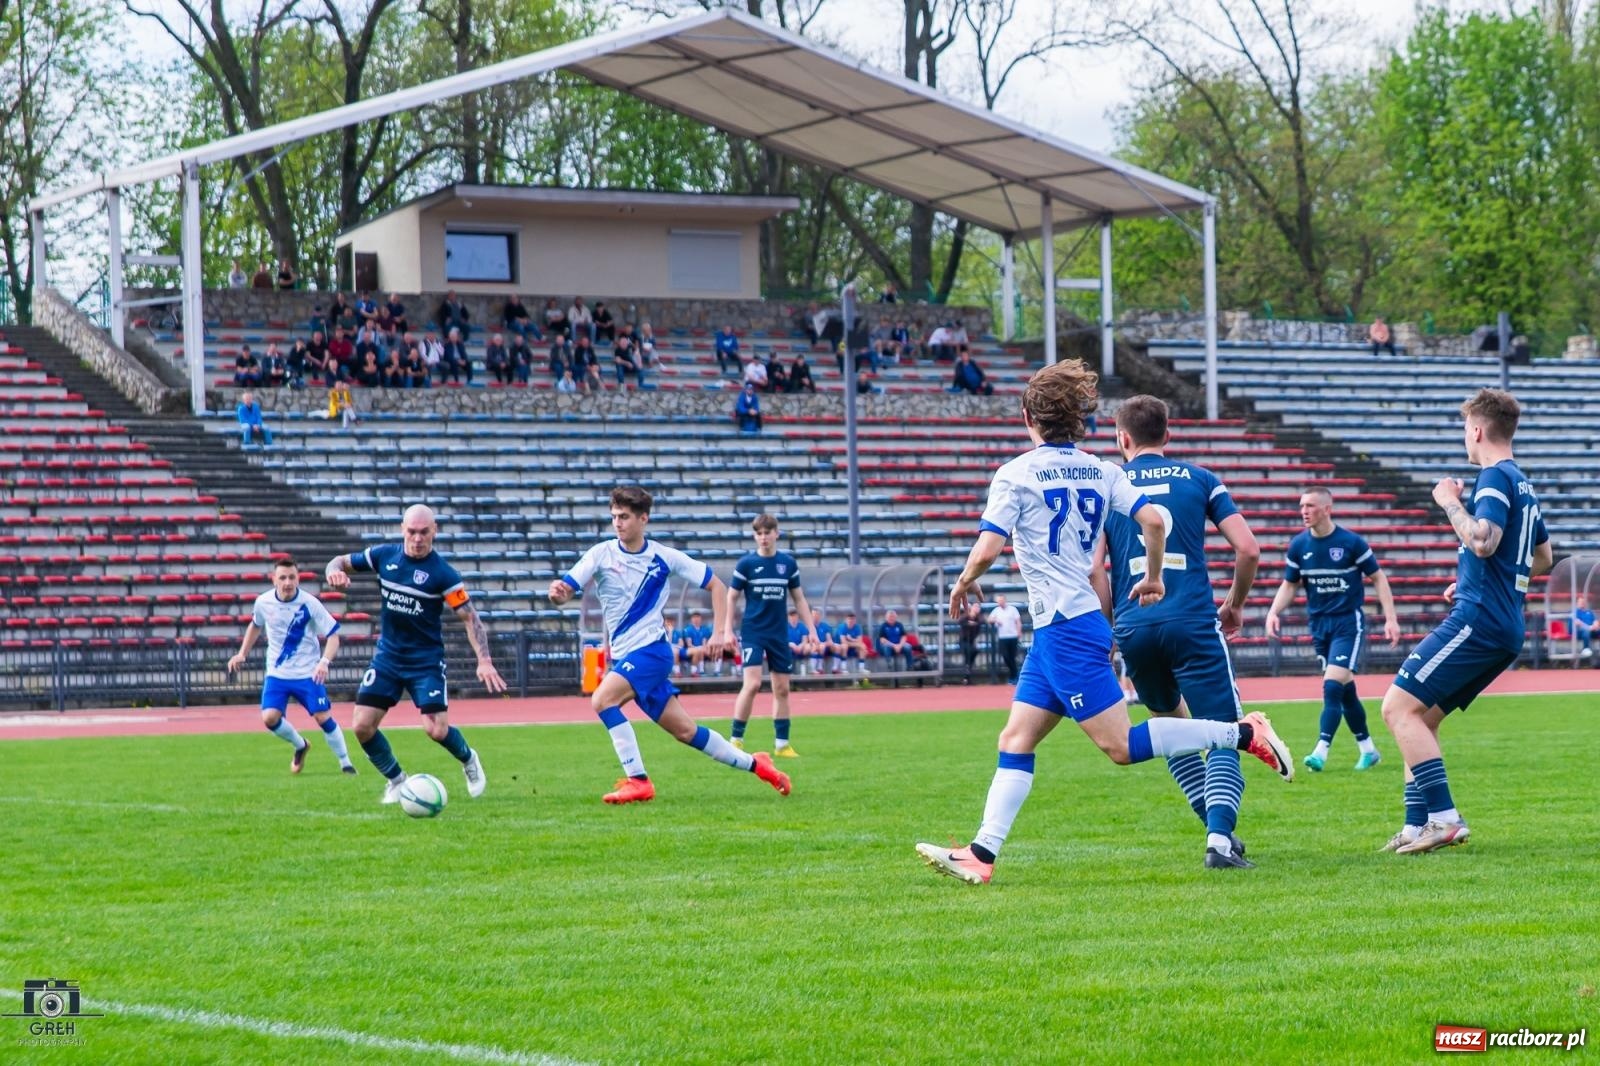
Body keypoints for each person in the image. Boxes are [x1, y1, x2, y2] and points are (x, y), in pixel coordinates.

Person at [915, 360, 1293, 886]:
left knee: (1120, 747)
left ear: (1027, 416)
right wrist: (1153, 577)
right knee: (1015, 739)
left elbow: (987, 549)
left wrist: (962, 582)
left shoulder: (1016, 472)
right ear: (1081, 422)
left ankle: (1242, 732)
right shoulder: (1101, 469)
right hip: (1063, 629)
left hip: (1068, 627)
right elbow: (1154, 521)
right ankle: (981, 855)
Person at [1096, 394, 1267, 869]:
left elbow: (1095, 571)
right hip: (1192, 620)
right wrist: (1232, 606)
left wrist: (1112, 631)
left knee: (1174, 729)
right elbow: (1248, 550)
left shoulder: (1108, 485)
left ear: (1122, 439)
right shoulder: (1202, 479)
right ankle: (1218, 839)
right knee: (1226, 729)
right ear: (1168, 436)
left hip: (1135, 625)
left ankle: (1219, 833)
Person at [1379, 389, 1551, 854]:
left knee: (1396, 708)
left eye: (1465, 429)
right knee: (1423, 719)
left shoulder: (1493, 477)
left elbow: (1483, 541)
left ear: (1476, 429)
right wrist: (1483, 579)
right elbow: (1542, 557)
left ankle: (1445, 818)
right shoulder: (1522, 482)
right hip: (1502, 622)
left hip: (1479, 621)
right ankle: (1417, 826)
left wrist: (1448, 501)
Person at [547, 485, 792, 804]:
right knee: (687, 732)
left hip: (651, 652)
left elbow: (717, 586)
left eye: (624, 517)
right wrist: (559, 594)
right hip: (627, 657)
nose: (617, 523)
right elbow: (567, 588)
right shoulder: (601, 553)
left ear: (643, 519)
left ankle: (638, 780)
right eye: (614, 517)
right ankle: (761, 766)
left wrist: (720, 632)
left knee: (603, 700)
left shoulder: (663, 556)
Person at [323, 505, 505, 803]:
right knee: (361, 726)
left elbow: (470, 617)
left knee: (435, 729)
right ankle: (396, 780)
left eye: (423, 532)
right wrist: (334, 571)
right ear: (402, 529)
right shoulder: (384, 556)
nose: (417, 538)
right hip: (388, 658)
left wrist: (484, 661)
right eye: (411, 531)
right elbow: (340, 561)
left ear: (434, 531)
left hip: (425, 662)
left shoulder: (443, 573)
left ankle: (469, 759)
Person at [1265, 485, 1401, 772]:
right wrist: (1273, 612)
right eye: (1302, 506)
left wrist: (1391, 619)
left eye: (1311, 506)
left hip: (1347, 624)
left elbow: (1378, 578)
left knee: (1331, 687)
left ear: (1327, 509)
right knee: (1345, 691)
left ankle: (1321, 750)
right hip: (1319, 626)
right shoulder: (1299, 546)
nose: (1304, 511)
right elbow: (1290, 585)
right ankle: (1368, 749)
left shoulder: (1351, 543)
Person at [227, 558, 355, 775]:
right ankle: (301, 745)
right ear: (274, 579)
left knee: (322, 717)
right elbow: (255, 625)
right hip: (277, 674)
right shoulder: (263, 602)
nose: (288, 582)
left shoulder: (310, 603)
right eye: (283, 577)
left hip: (308, 672)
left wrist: (324, 662)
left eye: (292, 577)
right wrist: (242, 654)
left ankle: (346, 763)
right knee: (269, 718)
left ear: (298, 578)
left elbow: (333, 636)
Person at [727, 514, 817, 757]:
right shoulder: (746, 564)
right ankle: (735, 739)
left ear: (776, 533)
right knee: (753, 684)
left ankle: (782, 744)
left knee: (782, 689)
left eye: (768, 532)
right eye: (759, 533)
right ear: (755, 536)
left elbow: (798, 598)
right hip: (754, 631)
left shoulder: (787, 564)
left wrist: (812, 629)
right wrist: (727, 630)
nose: (763, 537)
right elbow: (732, 596)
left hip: (779, 633)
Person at [985, 594, 1023, 684]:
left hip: (1013, 636)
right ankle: (1014, 674)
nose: (1000, 602)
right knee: (1005, 656)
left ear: (1005, 600)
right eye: (998, 601)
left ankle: (1014, 676)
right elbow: (989, 619)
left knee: (1012, 656)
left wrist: (1019, 631)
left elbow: (1018, 621)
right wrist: (995, 620)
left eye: (1001, 600)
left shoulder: (1013, 609)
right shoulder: (996, 610)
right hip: (1002, 637)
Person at [680, 609, 714, 676]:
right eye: (694, 617)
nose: (696, 619)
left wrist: (703, 647)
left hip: (702, 649)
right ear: (691, 619)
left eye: (698, 617)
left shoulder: (705, 630)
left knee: (705, 650)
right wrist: (698, 648)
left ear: (701, 619)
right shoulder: (688, 630)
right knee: (698, 650)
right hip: (690, 649)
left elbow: (704, 642)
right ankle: (695, 671)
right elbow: (689, 644)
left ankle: (712, 671)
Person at [958, 601, 984, 684]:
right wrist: (969, 623)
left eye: (978, 607)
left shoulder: (978, 618)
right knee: (970, 651)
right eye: (975, 607)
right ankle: (967, 672)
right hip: (964, 640)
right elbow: (960, 621)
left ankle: (967, 674)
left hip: (971, 641)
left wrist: (974, 623)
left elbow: (981, 621)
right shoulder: (966, 616)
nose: (976, 609)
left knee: (973, 652)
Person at [1572, 594, 1596, 659]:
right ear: (1577, 603)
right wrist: (1589, 628)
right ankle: (1585, 649)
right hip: (1578, 632)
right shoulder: (1575, 612)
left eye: (1583, 602)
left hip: (1591, 630)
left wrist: (1595, 625)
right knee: (1586, 631)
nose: (1582, 603)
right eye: (1580, 602)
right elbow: (1578, 623)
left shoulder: (1589, 612)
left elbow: (1595, 620)